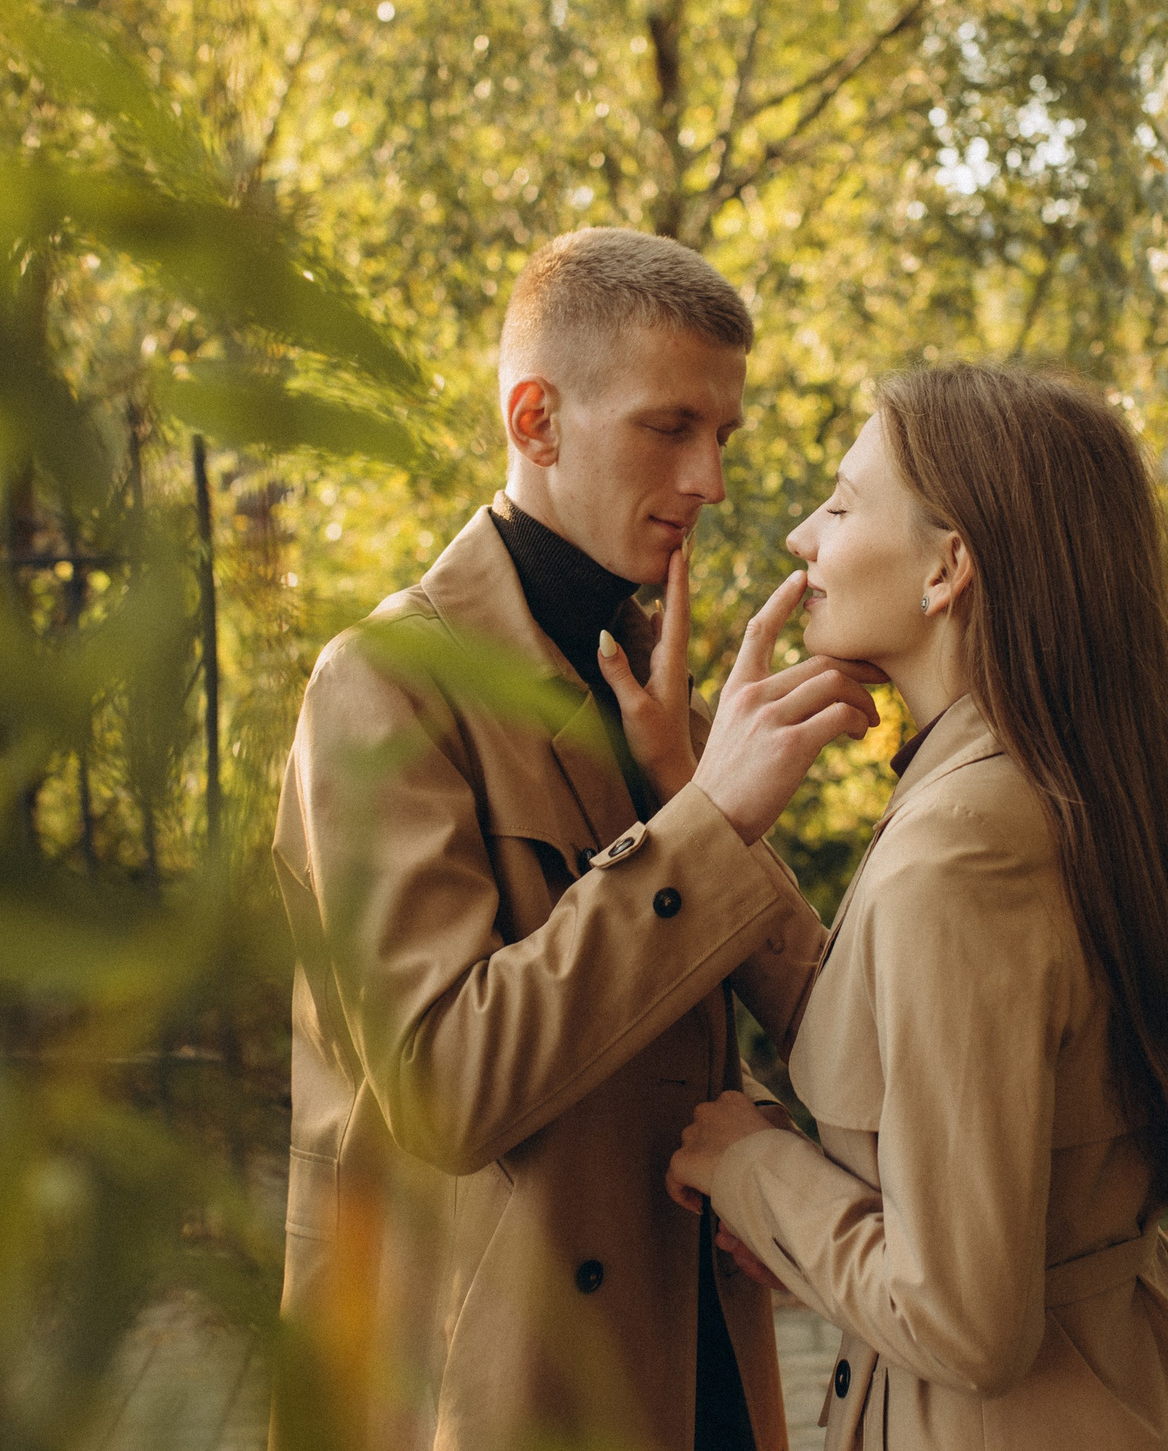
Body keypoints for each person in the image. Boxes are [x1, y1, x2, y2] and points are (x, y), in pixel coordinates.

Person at [270, 227, 880, 1451]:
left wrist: (763, 1172)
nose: (709, 479)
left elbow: (663, 1037)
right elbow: (444, 1090)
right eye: (670, 428)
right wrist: (709, 821)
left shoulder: (647, 684)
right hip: (496, 1392)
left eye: (724, 436)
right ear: (536, 419)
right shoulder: (384, 686)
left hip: (692, 1361)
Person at [662, 364, 1168, 1449]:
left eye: (843, 505)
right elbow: (901, 1048)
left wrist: (750, 1166)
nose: (803, 537)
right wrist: (702, 810)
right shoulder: (1033, 786)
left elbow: (959, 1320)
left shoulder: (960, 851)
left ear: (948, 567)